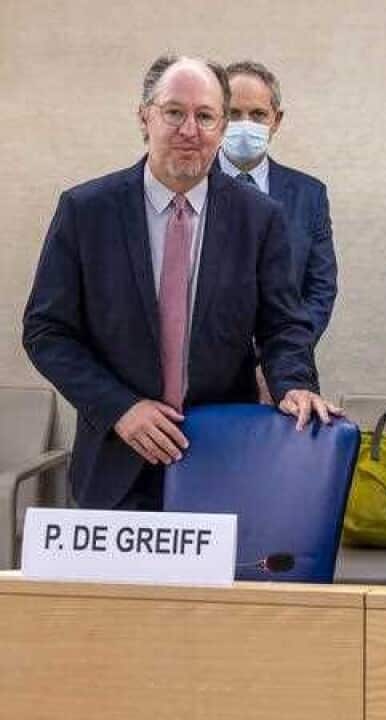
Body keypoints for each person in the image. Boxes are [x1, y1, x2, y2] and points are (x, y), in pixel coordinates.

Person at [23, 55, 339, 512]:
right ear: (144, 117)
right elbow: (47, 332)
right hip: (117, 457)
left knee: (213, 587)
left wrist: (294, 384)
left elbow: (283, 326)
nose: (190, 129)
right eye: (174, 112)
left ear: (219, 127)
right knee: (115, 588)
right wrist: (120, 409)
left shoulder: (259, 218)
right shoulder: (86, 211)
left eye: (207, 116)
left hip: (220, 458)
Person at [220, 60, 337, 402]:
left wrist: (277, 360)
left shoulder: (308, 194)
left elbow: (320, 289)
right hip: (203, 381)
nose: (245, 125)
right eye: (234, 113)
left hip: (288, 382)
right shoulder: (192, 187)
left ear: (276, 120)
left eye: (257, 114)